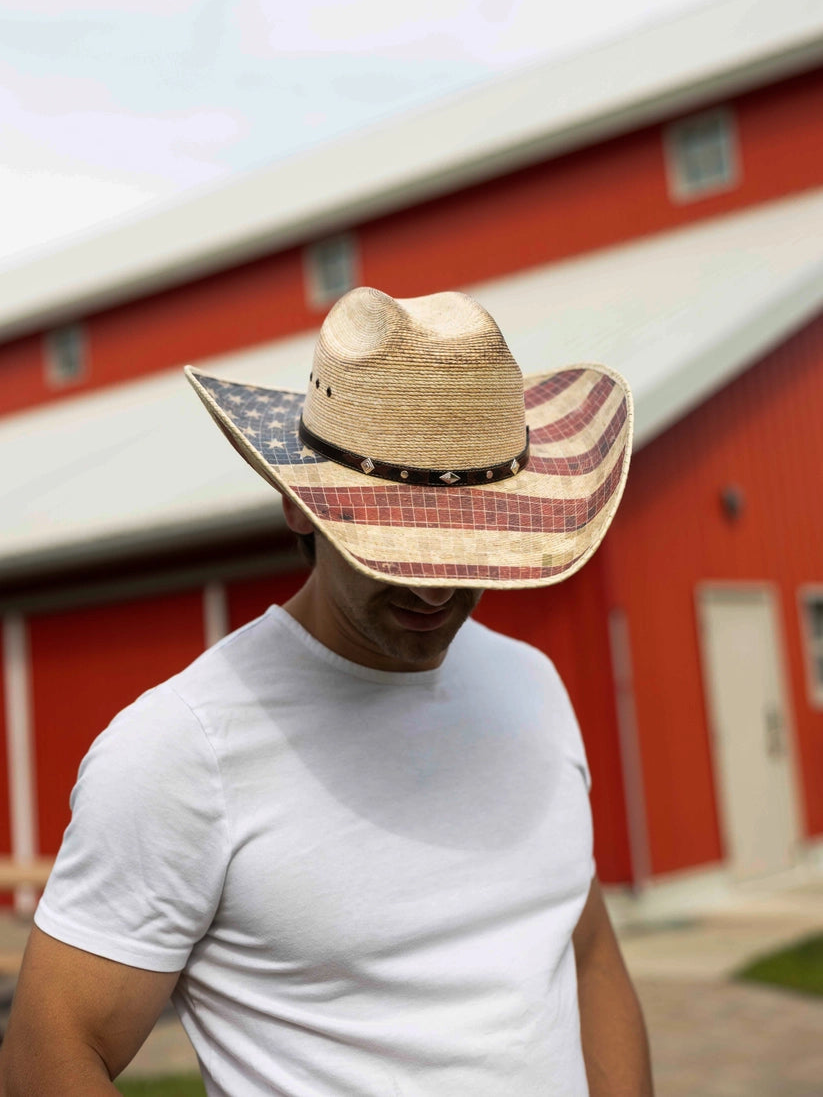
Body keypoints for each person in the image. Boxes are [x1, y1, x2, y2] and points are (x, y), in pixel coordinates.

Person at [1, 287, 652, 1096]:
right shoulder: (181, 747)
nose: (435, 585)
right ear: (298, 505)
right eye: (396, 544)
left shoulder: (533, 685)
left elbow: (582, 950)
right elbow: (50, 1051)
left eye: (469, 539)